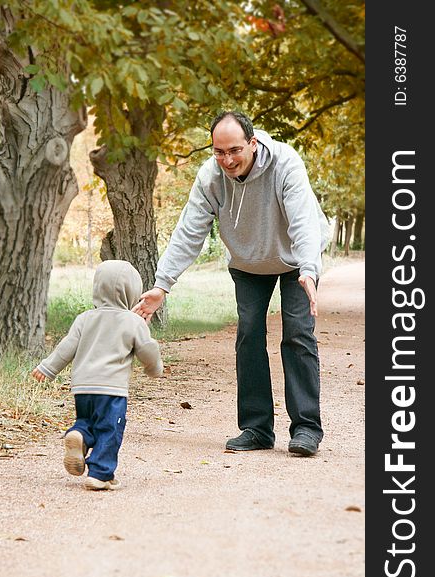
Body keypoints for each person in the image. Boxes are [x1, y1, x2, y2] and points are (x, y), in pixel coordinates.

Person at [133, 110, 330, 456]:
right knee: (249, 334)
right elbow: (189, 231)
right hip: (247, 263)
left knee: (297, 332)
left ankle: (306, 429)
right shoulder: (210, 176)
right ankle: (256, 429)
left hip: (296, 260)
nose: (227, 160)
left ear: (253, 143)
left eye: (235, 150)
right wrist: (162, 284)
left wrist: (309, 270)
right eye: (219, 152)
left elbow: (303, 222)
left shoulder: (285, 163)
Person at [31, 260, 163, 490]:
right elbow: (147, 349)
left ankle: (78, 434)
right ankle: (101, 474)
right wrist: (154, 369)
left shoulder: (84, 318)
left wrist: (47, 368)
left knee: (88, 421)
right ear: (132, 292)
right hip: (111, 389)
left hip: (82, 388)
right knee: (110, 428)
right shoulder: (134, 322)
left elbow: (66, 347)